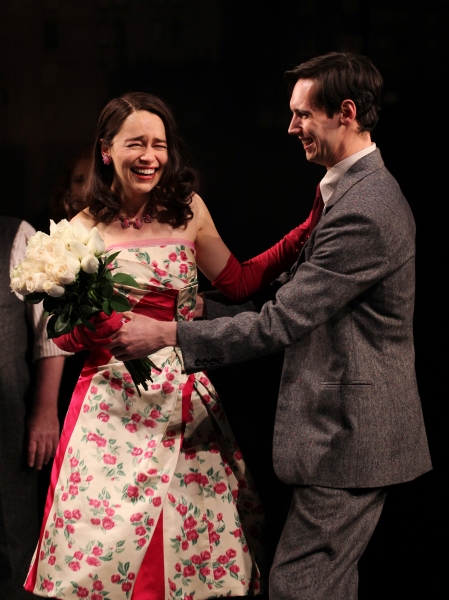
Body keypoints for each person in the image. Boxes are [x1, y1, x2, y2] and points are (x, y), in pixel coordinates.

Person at [108, 52, 433, 599]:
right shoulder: (346, 192)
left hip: (350, 437)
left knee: (300, 587)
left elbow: (280, 321)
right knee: (324, 585)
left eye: (303, 114)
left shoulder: (366, 207)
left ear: (346, 112)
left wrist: (169, 333)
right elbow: (286, 300)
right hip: (343, 434)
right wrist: (196, 311)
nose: (291, 127)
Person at [24, 92, 314, 599]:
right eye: (136, 143)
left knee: (193, 557)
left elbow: (240, 282)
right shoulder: (82, 229)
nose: (150, 156)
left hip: (181, 402)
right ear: (107, 150)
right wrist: (94, 332)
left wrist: (305, 232)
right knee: (105, 561)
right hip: (109, 410)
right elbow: (63, 335)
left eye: (159, 144)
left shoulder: (188, 212)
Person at [0, 216, 66, 600]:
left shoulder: (14, 234)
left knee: (12, 543)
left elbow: (50, 330)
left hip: (7, 423)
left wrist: (44, 410)